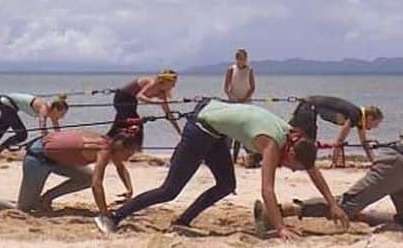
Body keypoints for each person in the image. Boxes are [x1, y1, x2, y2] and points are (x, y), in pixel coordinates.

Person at [95, 100, 348, 239]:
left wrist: (332, 203)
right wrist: (281, 227)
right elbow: (267, 190)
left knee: (227, 185)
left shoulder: (294, 138)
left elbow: (313, 169)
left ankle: (183, 220)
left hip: (215, 131)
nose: (292, 172)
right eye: (293, 168)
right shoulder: (272, 143)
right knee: (169, 190)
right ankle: (113, 217)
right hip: (200, 128)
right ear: (291, 153)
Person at [0, 122, 142, 216]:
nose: (128, 158)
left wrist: (129, 188)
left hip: (54, 157)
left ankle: (46, 199)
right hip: (38, 158)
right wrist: (104, 213)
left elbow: (120, 167)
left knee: (85, 177)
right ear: (120, 148)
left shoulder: (108, 141)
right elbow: (97, 185)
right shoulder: (103, 150)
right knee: (23, 208)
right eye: (129, 154)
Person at [0, 93, 69, 158]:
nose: (63, 117)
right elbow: (42, 127)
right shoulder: (44, 108)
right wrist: (47, 138)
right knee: (22, 134)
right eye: (62, 114)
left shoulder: (52, 112)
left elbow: (57, 128)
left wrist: (62, 142)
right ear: (56, 110)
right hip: (7, 104)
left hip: (7, 105)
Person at [289, 95, 384, 165]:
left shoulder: (359, 120)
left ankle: (289, 156)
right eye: (376, 123)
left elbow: (364, 143)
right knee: (307, 140)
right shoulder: (356, 114)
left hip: (308, 105)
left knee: (291, 133)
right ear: (370, 118)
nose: (376, 127)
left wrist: (374, 162)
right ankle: (293, 159)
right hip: (309, 106)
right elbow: (340, 140)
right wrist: (334, 162)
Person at [107, 70, 181, 141]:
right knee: (136, 124)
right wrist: (154, 102)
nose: (174, 86)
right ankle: (137, 150)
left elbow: (169, 114)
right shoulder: (152, 83)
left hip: (132, 101)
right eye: (173, 83)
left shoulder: (162, 93)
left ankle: (105, 142)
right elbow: (139, 96)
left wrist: (179, 132)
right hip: (122, 98)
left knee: (120, 125)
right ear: (166, 81)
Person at [222, 48, 256, 165]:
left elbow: (252, 87)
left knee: (242, 131)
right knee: (230, 131)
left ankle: (238, 156)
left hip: (245, 103)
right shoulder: (231, 69)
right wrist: (233, 98)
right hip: (233, 103)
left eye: (244, 59)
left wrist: (244, 98)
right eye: (239, 58)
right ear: (236, 59)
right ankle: (227, 157)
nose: (242, 61)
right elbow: (226, 88)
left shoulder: (249, 70)